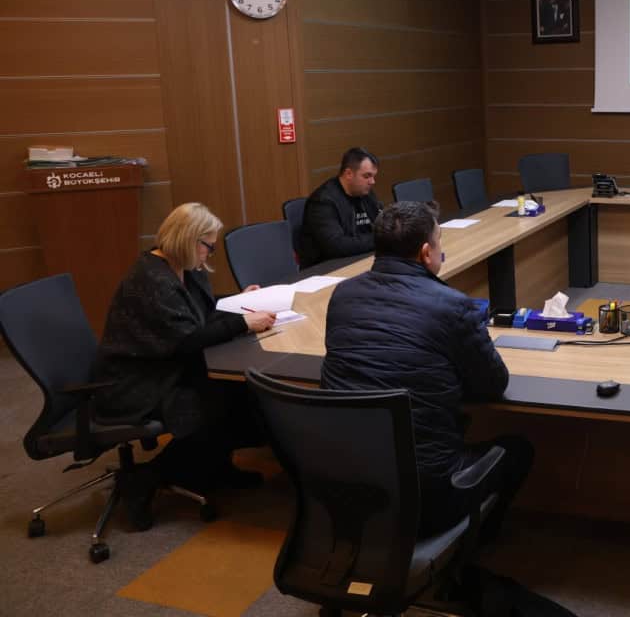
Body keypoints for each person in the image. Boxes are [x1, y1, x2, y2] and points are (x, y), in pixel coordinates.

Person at [322, 200, 533, 539]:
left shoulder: (342, 295)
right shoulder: (454, 306)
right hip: (426, 497)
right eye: (439, 243)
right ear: (425, 253)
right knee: (518, 450)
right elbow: (494, 383)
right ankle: (468, 547)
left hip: (348, 484)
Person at [93, 203, 276, 527]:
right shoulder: (151, 280)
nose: (210, 253)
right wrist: (243, 323)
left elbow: (198, 312)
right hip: (135, 381)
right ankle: (148, 477)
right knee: (216, 400)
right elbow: (187, 340)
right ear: (188, 240)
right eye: (208, 246)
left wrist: (240, 300)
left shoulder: (183, 268)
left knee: (239, 388)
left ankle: (217, 466)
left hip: (166, 364)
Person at [298, 147, 381, 267]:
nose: (372, 181)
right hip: (328, 267)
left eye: (373, 176)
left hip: (360, 257)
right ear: (348, 174)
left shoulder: (365, 193)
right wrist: (380, 239)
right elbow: (337, 246)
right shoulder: (322, 202)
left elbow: (380, 224)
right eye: (367, 176)